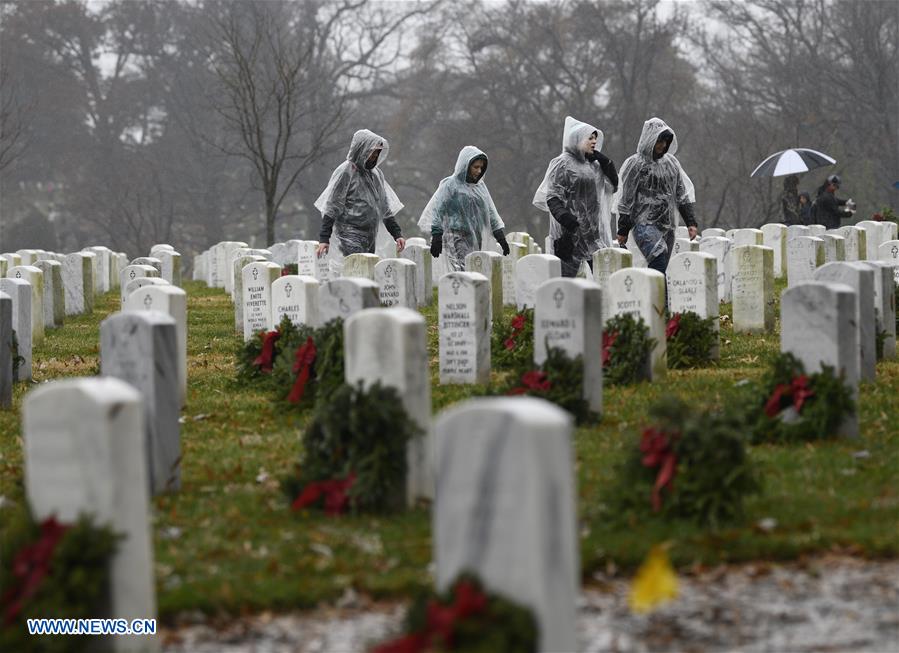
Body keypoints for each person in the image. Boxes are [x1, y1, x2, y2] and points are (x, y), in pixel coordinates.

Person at [533, 116, 618, 277]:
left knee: (604, 279)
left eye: (595, 138)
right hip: (570, 234)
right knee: (565, 282)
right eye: (589, 138)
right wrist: (566, 218)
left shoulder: (593, 165)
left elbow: (612, 185)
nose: (594, 141)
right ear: (576, 139)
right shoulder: (562, 164)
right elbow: (552, 196)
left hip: (593, 234)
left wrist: (605, 161)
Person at [615, 117, 697, 277]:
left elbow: (681, 194)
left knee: (661, 265)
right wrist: (623, 229)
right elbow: (626, 199)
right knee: (658, 256)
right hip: (643, 223)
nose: (663, 145)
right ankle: (659, 300)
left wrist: (690, 222)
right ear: (650, 140)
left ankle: (657, 300)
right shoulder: (635, 164)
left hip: (667, 224)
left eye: (666, 142)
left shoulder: (671, 163)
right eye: (660, 141)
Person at [315, 130, 405, 268]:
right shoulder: (346, 172)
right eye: (372, 152)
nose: (375, 156)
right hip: (349, 234)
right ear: (362, 149)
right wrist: (324, 238)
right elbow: (332, 206)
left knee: (367, 273)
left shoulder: (375, 174)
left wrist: (397, 234)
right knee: (358, 271)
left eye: (377, 153)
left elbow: (384, 208)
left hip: (370, 234)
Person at [420, 146, 510, 271]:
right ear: (465, 166)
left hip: (474, 238)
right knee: (463, 273)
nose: (479, 171)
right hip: (454, 237)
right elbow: (437, 210)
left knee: (473, 270)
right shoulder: (451, 184)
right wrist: (436, 234)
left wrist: (500, 237)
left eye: (481, 168)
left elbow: (490, 212)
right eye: (476, 167)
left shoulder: (480, 187)